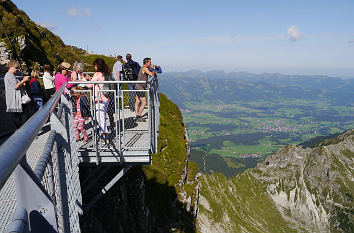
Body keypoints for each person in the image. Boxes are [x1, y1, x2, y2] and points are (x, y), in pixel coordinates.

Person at [83, 58, 110, 144]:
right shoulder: (106, 73)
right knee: (103, 117)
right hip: (106, 98)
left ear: (97, 65)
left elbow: (89, 85)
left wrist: (84, 79)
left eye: (95, 65)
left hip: (99, 99)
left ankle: (104, 136)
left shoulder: (97, 74)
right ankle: (104, 134)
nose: (94, 67)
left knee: (100, 118)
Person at [4, 60, 31, 130]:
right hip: (16, 102)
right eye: (16, 67)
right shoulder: (9, 75)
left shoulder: (11, 75)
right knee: (21, 119)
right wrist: (24, 80)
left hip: (17, 101)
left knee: (19, 120)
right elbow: (15, 86)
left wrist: (22, 83)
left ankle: (20, 133)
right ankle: (22, 134)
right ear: (11, 67)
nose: (17, 69)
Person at [135, 58, 157, 122]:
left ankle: (137, 115)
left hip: (137, 86)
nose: (150, 63)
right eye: (149, 62)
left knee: (138, 102)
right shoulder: (145, 68)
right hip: (140, 88)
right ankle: (138, 115)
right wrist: (154, 70)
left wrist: (152, 68)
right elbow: (150, 74)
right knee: (144, 102)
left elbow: (149, 70)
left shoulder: (143, 67)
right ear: (146, 63)